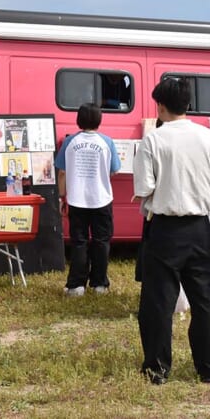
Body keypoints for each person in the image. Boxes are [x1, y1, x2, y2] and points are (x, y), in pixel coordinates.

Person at [133, 78, 210, 385]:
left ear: (160, 107)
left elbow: (144, 187)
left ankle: (158, 368)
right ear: (188, 104)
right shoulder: (208, 137)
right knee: (203, 301)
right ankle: (209, 368)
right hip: (200, 227)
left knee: (159, 302)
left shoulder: (153, 140)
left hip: (164, 228)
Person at [55, 103, 120, 296]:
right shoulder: (107, 142)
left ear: (79, 120)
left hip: (76, 199)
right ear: (99, 120)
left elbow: (62, 173)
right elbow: (114, 169)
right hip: (101, 199)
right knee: (101, 241)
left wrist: (61, 197)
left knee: (79, 242)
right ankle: (100, 284)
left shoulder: (70, 142)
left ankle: (76, 285)